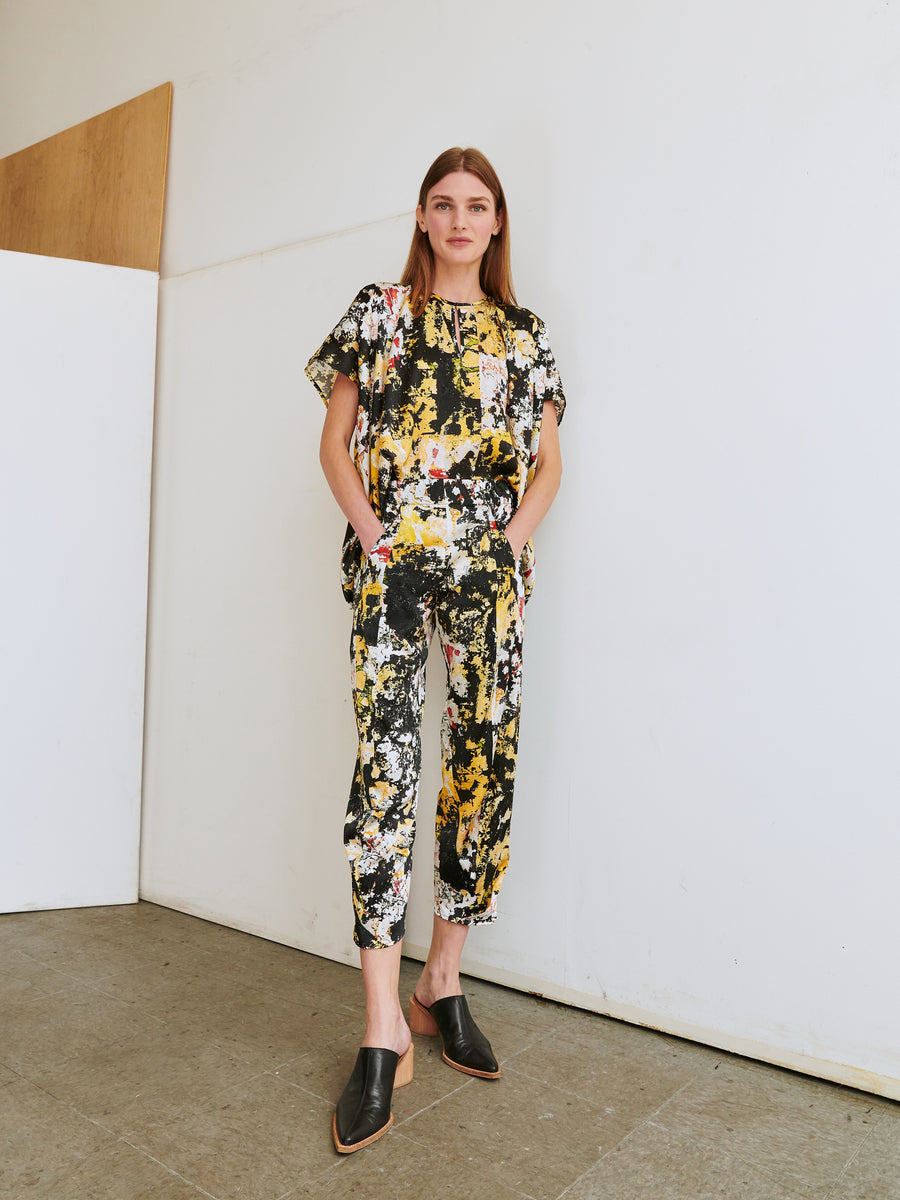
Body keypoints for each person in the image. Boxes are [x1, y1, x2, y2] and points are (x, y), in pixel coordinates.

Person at [306, 147, 565, 1154]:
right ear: (422, 216)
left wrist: (505, 546)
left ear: (497, 225)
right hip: (391, 573)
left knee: (479, 768)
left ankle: (441, 980)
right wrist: (376, 535)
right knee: (387, 772)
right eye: (444, 204)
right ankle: (379, 1029)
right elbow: (334, 442)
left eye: (479, 206)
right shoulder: (378, 311)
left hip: (488, 582)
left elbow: (549, 466)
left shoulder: (526, 337)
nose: (460, 220)